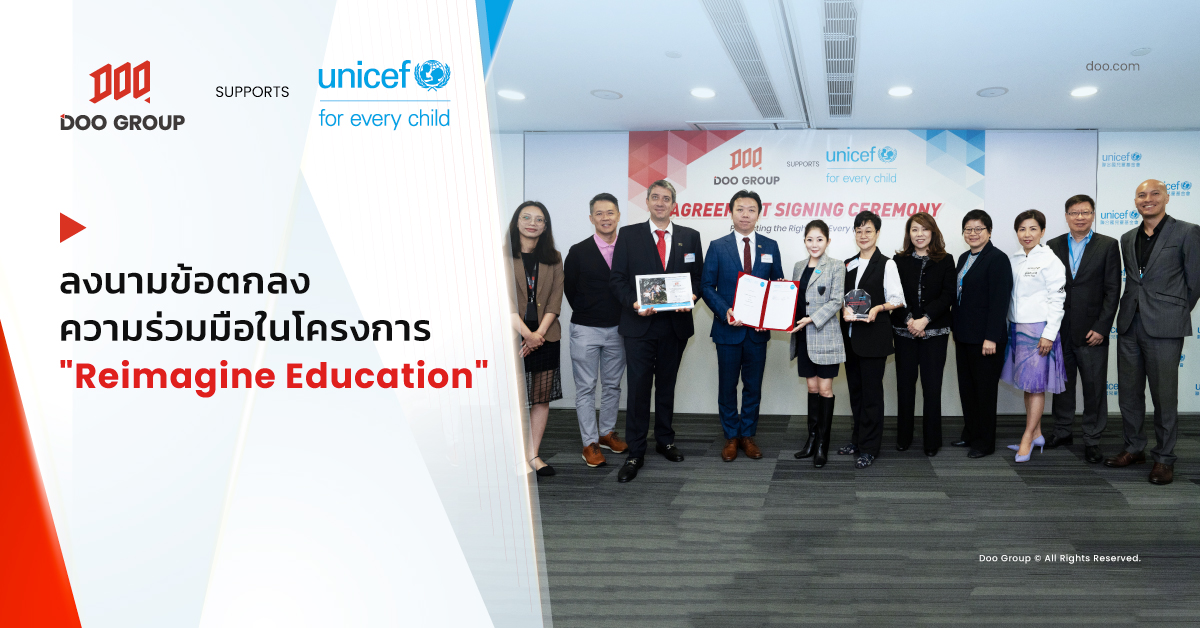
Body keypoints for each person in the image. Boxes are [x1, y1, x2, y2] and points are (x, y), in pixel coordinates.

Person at [1105, 179, 1200, 485]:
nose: (1148, 199)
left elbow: (1195, 281)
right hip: (1129, 323)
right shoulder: (1126, 237)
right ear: (1135, 201)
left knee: (1164, 396)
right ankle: (1134, 448)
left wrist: (1174, 311)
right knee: (1129, 393)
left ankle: (1164, 458)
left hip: (1165, 325)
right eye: (1141, 195)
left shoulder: (1187, 231)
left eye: (1154, 193)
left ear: (1166, 197)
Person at [609, 180, 704, 483]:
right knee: (638, 390)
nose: (660, 203)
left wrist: (691, 297)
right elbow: (617, 279)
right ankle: (635, 451)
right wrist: (634, 302)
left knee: (666, 386)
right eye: (655, 197)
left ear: (674, 205)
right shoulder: (628, 235)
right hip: (639, 325)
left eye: (666, 198)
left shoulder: (690, 237)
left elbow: (698, 278)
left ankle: (665, 440)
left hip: (674, 326)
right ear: (647, 202)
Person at [700, 190, 784, 462]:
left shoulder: (770, 246)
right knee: (727, 387)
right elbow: (706, 286)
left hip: (757, 333)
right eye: (740, 209)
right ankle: (731, 436)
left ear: (759, 214)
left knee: (753, 386)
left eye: (751, 210)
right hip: (728, 330)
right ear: (731, 212)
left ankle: (747, 434)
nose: (745, 214)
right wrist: (725, 311)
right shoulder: (717, 246)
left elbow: (777, 286)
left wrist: (768, 317)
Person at [1045, 194, 1121, 464]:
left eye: (1085, 212)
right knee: (1062, 386)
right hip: (1061, 329)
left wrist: (1102, 327)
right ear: (1066, 216)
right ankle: (1063, 431)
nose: (1080, 217)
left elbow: (1113, 289)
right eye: (1074, 213)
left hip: (1092, 332)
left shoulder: (1108, 245)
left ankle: (1092, 438)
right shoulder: (1052, 245)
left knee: (1094, 387)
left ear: (1093, 215)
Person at [563, 193, 629, 468]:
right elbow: (570, 289)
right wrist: (590, 310)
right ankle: (589, 442)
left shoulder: (628, 248)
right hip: (585, 329)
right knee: (586, 388)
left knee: (612, 385)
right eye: (599, 213)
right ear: (591, 218)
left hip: (619, 329)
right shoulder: (578, 251)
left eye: (610, 212)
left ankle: (606, 433)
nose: (605, 218)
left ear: (618, 216)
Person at [837, 211, 905, 469]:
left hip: (874, 338)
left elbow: (898, 299)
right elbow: (843, 297)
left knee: (872, 396)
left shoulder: (887, 264)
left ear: (877, 233)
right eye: (859, 231)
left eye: (868, 231)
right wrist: (843, 308)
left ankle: (869, 448)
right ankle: (857, 439)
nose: (863, 235)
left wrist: (878, 308)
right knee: (856, 392)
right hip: (851, 338)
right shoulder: (848, 263)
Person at [1000, 210, 1067, 463]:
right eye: (1022, 229)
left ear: (1042, 231)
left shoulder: (1050, 260)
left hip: (1039, 331)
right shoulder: (1014, 259)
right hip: (1017, 328)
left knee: (1036, 386)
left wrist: (1049, 334)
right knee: (1028, 386)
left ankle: (1027, 438)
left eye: (1033, 229)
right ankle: (1037, 434)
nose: (1027, 234)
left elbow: (1057, 300)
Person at [890, 213, 955, 457]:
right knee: (905, 387)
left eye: (924, 229)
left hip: (934, 334)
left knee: (932, 388)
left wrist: (925, 319)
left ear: (933, 232)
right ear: (909, 234)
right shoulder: (897, 261)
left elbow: (948, 295)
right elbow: (893, 295)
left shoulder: (946, 260)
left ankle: (932, 440)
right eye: (914, 229)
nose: (919, 234)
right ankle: (904, 437)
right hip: (904, 333)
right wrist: (909, 320)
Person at [508, 201, 564, 477]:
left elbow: (555, 299)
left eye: (539, 219)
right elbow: (501, 300)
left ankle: (533, 455)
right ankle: (515, 455)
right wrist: (527, 334)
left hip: (545, 335)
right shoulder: (501, 256)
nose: (532, 223)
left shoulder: (553, 257)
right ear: (516, 222)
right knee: (514, 398)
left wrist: (538, 334)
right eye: (526, 217)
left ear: (545, 226)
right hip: (513, 335)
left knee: (541, 398)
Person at [952, 210, 1013, 459]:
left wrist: (991, 337)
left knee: (984, 392)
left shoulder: (998, 259)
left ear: (989, 231)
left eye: (979, 229)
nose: (973, 233)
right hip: (964, 336)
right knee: (967, 389)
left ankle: (985, 443)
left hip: (986, 339)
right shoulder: (963, 257)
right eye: (968, 229)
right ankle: (971, 433)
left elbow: (1000, 301)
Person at [789, 220, 846, 468]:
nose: (814, 244)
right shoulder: (798, 266)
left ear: (828, 241)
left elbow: (836, 301)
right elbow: (794, 299)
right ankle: (811, 440)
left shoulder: (836, 266)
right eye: (810, 239)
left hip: (825, 336)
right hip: (803, 337)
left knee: (824, 390)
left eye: (819, 239)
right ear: (804, 241)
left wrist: (811, 318)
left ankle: (823, 443)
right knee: (812, 388)